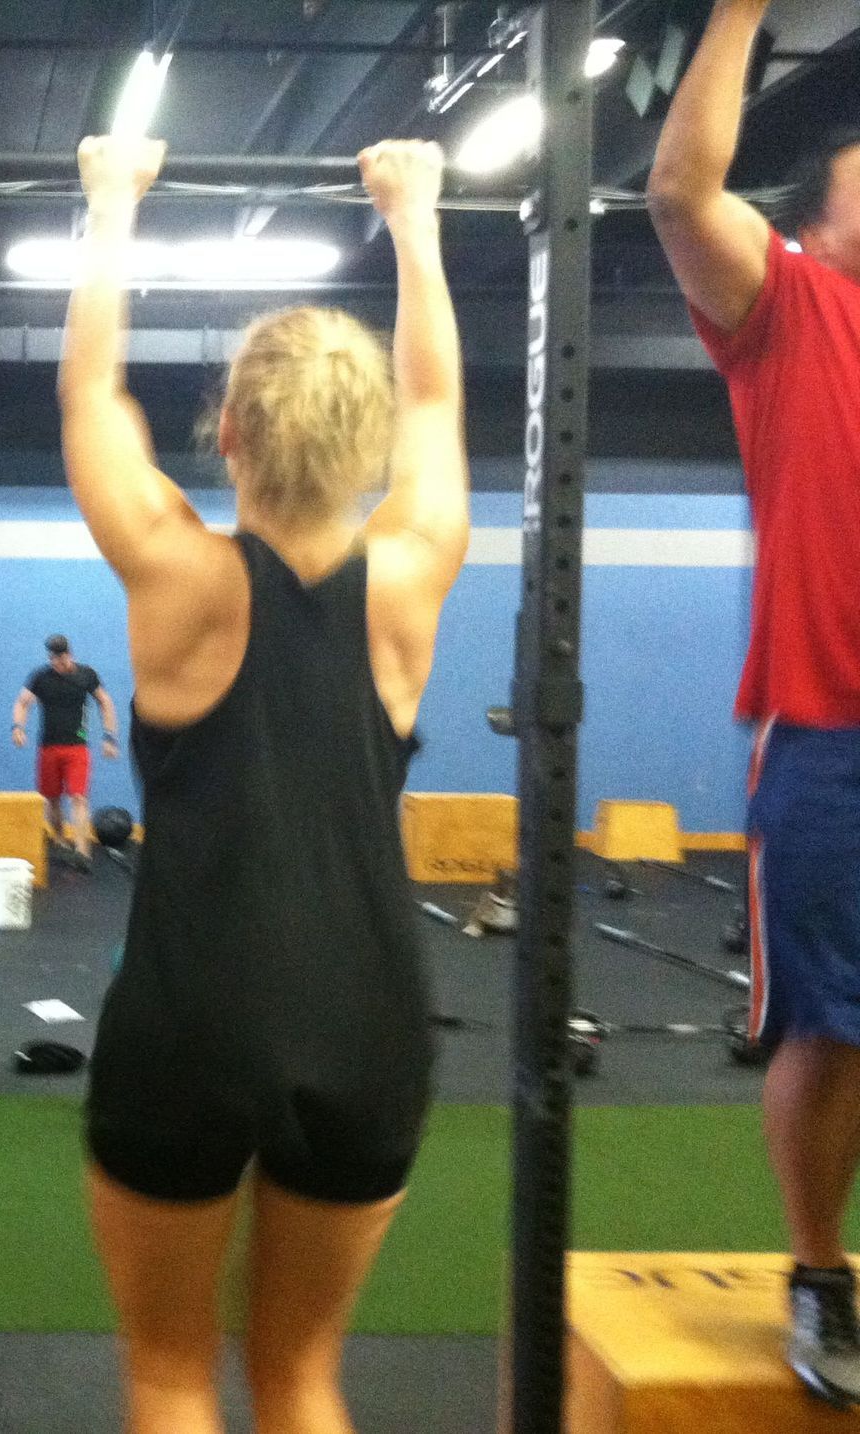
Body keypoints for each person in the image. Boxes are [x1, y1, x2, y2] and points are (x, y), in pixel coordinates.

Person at [59, 133, 467, 1434]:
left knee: (174, 1373)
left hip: (194, 1008)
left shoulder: (179, 572)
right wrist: (415, 218)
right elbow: (445, 408)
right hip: (369, 1011)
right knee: (300, 1376)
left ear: (225, 432)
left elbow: (90, 399)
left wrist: (112, 201)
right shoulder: (413, 568)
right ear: (368, 448)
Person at [648, 0, 860, 1406]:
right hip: (830, 726)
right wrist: (740, 13)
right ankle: (816, 1274)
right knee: (832, 1024)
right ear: (823, 215)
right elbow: (677, 189)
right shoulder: (787, 307)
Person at [11, 634, 119, 870]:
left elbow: (105, 702)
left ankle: (82, 852)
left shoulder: (86, 675)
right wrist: (18, 726)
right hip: (48, 747)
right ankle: (60, 840)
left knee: (79, 798)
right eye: (52, 659)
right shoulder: (41, 676)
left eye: (59, 658)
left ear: (69, 655)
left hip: (77, 747)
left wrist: (110, 736)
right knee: (52, 799)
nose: (56, 663)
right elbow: (22, 702)